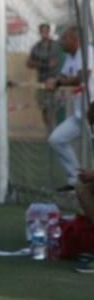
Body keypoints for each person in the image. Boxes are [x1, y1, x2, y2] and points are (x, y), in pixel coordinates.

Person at [46, 26, 94, 192]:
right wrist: (55, 80)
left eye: (65, 38)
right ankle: (76, 180)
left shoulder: (87, 52)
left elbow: (81, 78)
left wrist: (59, 83)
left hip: (92, 111)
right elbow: (64, 75)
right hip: (81, 114)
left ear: (75, 40)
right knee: (56, 139)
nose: (61, 42)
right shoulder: (70, 56)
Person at [27, 23, 60, 133]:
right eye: (42, 31)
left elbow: (55, 63)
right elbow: (29, 63)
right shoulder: (36, 47)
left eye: (47, 31)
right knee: (44, 109)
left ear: (49, 32)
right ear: (40, 32)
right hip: (42, 82)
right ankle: (50, 131)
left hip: (56, 82)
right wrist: (42, 64)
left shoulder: (56, 46)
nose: (45, 33)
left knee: (56, 108)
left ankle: (56, 131)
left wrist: (39, 63)